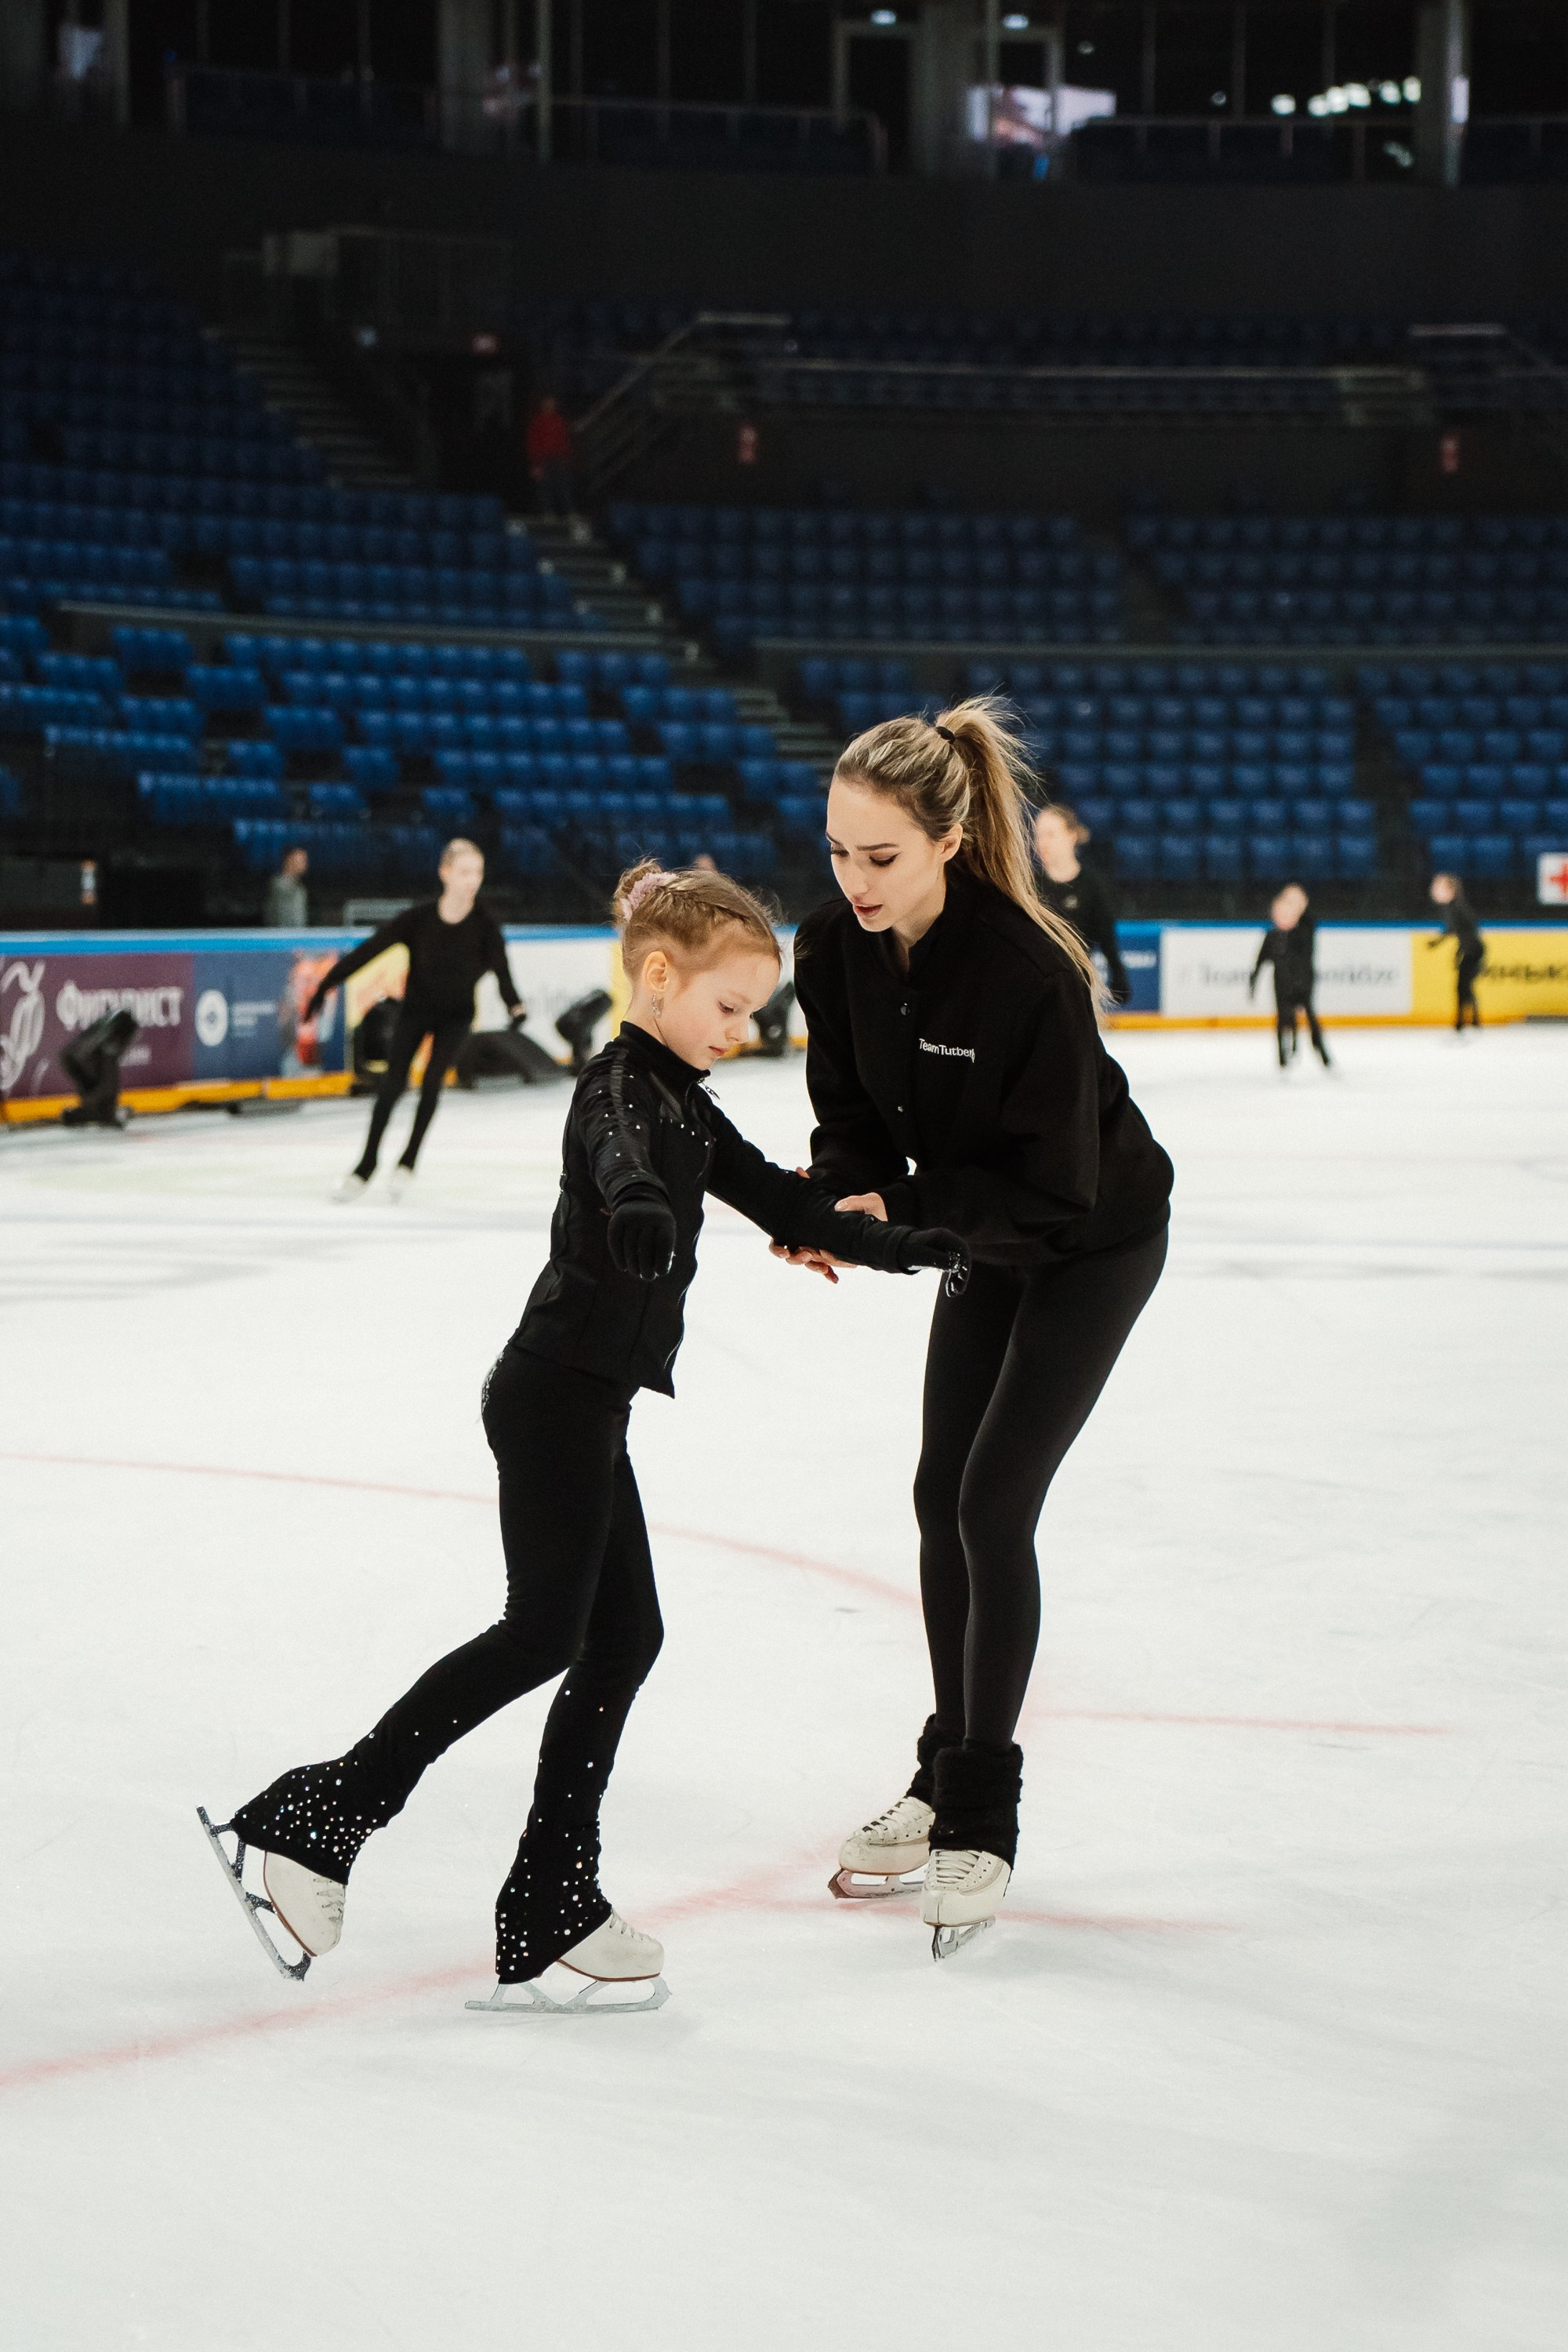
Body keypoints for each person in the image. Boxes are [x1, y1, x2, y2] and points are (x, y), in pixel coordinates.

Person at [201, 861, 963, 2009]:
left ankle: (549, 1892)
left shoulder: (688, 1101)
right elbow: (613, 1159)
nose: (740, 1032)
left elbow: (782, 1198)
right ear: (659, 977)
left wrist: (904, 1244)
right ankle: (319, 1820)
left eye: (753, 1016)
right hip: (553, 1394)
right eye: (727, 1008)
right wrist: (642, 1208)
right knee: (542, 1634)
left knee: (621, 1637)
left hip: (585, 1402)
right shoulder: (617, 1086)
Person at [785, 700, 1173, 1958]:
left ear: (948, 839)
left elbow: (1051, 1191)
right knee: (935, 1492)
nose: (854, 882)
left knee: (993, 1504)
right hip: (979, 1234)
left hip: (1088, 1239)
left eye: (880, 857)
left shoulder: (1029, 975)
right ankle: (944, 1768)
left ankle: (982, 1816)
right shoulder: (830, 949)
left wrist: (901, 1207)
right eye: (838, 851)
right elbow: (845, 1112)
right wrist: (838, 1199)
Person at [306, 840, 521, 1202]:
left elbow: (502, 969)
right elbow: (369, 950)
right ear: (445, 873)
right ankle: (366, 1165)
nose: (473, 880)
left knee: (433, 1081)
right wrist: (327, 982)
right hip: (417, 1011)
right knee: (392, 1085)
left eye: (478, 873)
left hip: (456, 1017)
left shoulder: (485, 924)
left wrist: (515, 1006)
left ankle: (407, 1161)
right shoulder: (418, 919)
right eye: (465, 872)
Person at [1033, 800, 1131, 1004]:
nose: (1043, 842)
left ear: (1071, 837)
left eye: (1051, 834)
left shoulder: (1093, 886)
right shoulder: (1028, 886)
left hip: (1078, 988)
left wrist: (1118, 976)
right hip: (1036, 989)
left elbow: (1106, 937)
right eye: (1039, 835)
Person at [1247, 882, 1331, 1070]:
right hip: (1282, 982)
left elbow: (1310, 919)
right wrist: (1253, 983)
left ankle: (1322, 1053)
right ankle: (1282, 1056)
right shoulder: (1273, 936)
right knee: (1283, 1017)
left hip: (1303, 981)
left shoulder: (1303, 932)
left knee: (1309, 1016)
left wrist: (1298, 903)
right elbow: (1260, 961)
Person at [1428, 872, 1484, 1030]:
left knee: (1462, 986)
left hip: (1473, 950)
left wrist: (1461, 950)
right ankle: (1473, 1019)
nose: (1434, 890)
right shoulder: (1453, 907)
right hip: (1471, 949)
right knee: (1465, 985)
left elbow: (1463, 929)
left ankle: (1462, 1021)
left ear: (1450, 890)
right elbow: (1458, 930)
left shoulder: (1456, 907)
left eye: (1439, 887)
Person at [525, 394, 574, 519]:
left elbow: (565, 441)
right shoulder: (536, 422)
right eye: (547, 402)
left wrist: (566, 459)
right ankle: (547, 512)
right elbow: (533, 443)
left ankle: (568, 513)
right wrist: (535, 464)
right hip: (542, 460)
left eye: (552, 402)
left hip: (559, 459)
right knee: (544, 487)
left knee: (562, 486)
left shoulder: (560, 421)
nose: (550, 405)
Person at [265, 847, 308, 929]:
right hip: (281, 937)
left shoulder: (300, 887)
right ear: (289, 860)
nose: (305, 864)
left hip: (298, 937)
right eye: (301, 860)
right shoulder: (278, 885)